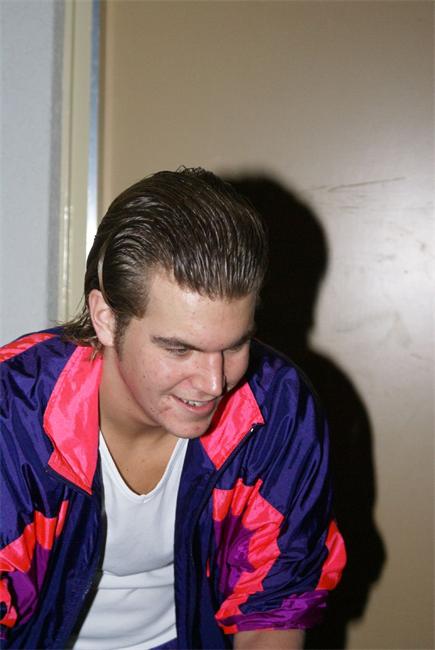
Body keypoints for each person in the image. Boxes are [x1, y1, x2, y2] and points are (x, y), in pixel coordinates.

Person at [0, 168, 346, 650]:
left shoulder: (277, 410)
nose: (214, 383)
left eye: (234, 345)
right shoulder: (14, 417)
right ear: (106, 318)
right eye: (179, 349)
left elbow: (271, 610)